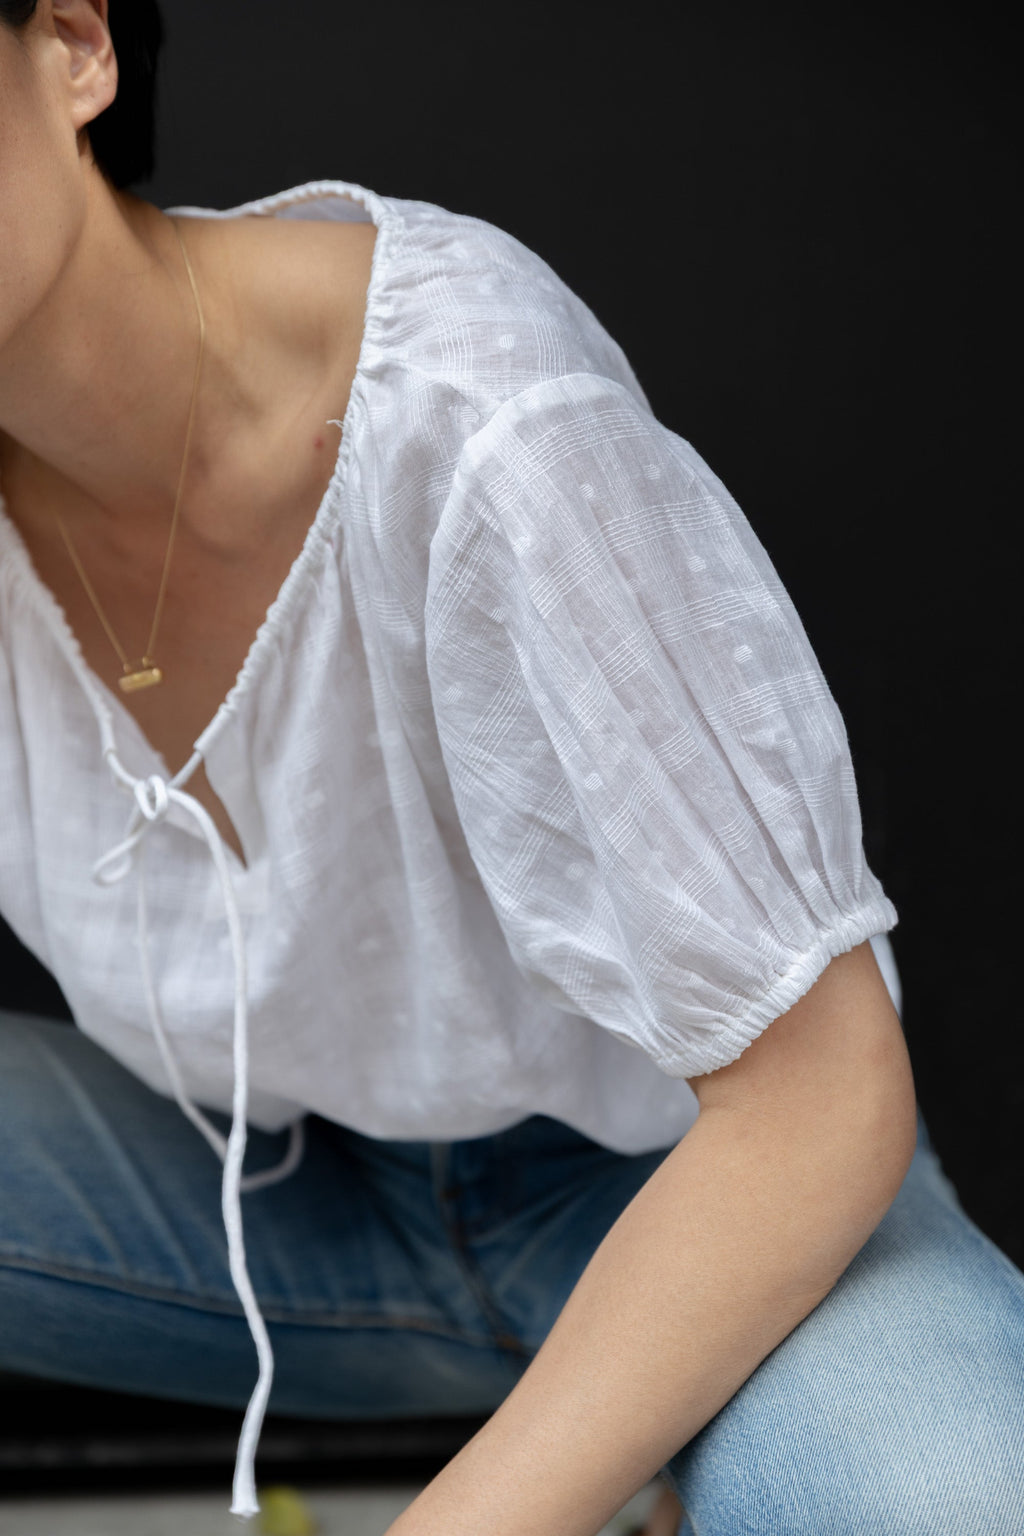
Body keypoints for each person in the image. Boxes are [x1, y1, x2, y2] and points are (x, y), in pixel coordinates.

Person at [1, 3, 1021, 1532]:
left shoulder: (478, 416)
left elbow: (818, 1104)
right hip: (266, 1207)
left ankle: (661, 1417)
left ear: (74, 45)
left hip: (686, 1185)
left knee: (949, 1506)